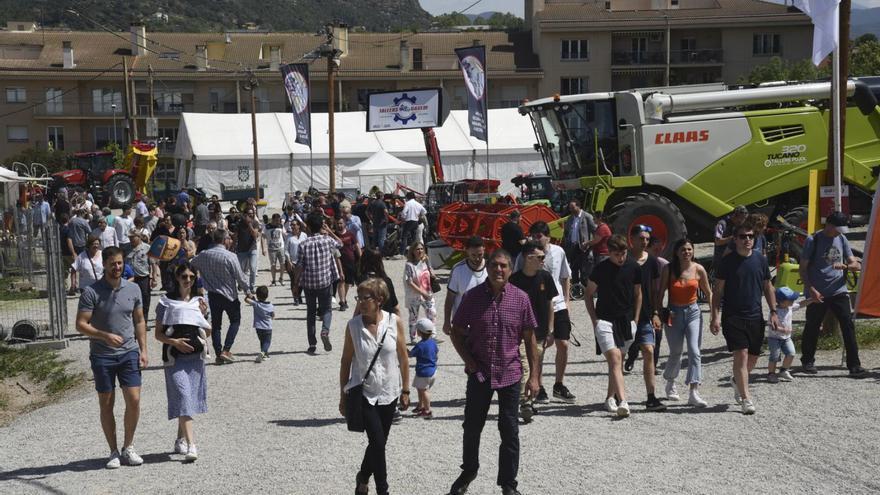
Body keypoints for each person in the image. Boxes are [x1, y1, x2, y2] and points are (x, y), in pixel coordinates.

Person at [448, 249, 539, 495]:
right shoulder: (472, 297)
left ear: (511, 270)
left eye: (503, 266)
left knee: (509, 430)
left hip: (510, 373)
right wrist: (468, 360)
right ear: (487, 268)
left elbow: (530, 340)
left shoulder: (521, 299)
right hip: (481, 373)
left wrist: (535, 377)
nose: (498, 270)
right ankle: (468, 471)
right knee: (472, 426)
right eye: (494, 265)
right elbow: (455, 331)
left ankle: (508, 484)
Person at [75, 246, 148, 469]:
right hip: (102, 356)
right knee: (107, 405)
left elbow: (139, 321)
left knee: (134, 400)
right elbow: (80, 324)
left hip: (128, 352)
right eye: (113, 264)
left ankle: (129, 447)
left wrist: (143, 349)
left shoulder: (133, 289)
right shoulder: (91, 292)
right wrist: (104, 335)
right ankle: (113, 451)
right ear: (104, 265)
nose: (117, 267)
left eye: (120, 263)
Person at [339, 278, 410, 495]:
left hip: (389, 392)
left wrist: (406, 390)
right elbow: (346, 361)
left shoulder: (394, 322)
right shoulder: (353, 326)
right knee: (378, 443)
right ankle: (383, 490)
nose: (360, 302)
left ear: (379, 300)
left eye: (365, 298)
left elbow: (403, 357)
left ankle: (362, 476)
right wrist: (343, 396)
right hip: (365, 393)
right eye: (358, 297)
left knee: (379, 443)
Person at [710, 222, 779, 415]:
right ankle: (746, 398)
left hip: (755, 315)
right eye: (742, 236)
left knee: (754, 357)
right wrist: (714, 316)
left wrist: (774, 311)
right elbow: (718, 292)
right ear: (735, 239)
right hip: (733, 316)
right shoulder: (727, 262)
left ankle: (737, 381)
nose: (747, 239)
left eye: (750, 236)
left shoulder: (760, 259)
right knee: (741, 354)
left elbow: (767, 287)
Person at [154, 262, 210, 462]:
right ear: (177, 277)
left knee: (186, 400)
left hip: (195, 359)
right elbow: (158, 334)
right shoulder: (165, 302)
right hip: (174, 358)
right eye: (184, 276)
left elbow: (208, 332)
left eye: (192, 277)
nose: (188, 280)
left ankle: (180, 439)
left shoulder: (199, 301)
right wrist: (174, 342)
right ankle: (192, 445)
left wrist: (203, 315)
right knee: (184, 395)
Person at [798, 211, 865, 376]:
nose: (839, 231)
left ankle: (854, 365)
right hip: (817, 292)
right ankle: (807, 361)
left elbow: (856, 265)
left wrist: (846, 266)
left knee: (848, 326)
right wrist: (810, 289)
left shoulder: (841, 239)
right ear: (828, 224)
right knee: (812, 326)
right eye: (837, 228)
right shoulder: (813, 240)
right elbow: (803, 268)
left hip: (839, 291)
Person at [518, 221, 575, 404]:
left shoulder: (559, 252)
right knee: (538, 349)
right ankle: (539, 386)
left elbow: (566, 275)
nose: (537, 238)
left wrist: (567, 299)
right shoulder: (526, 254)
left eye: (540, 235)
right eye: (534, 235)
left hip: (558, 304)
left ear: (548, 236)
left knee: (563, 344)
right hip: (538, 304)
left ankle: (559, 384)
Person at [584, 234, 639, 417]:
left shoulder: (633, 267)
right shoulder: (600, 269)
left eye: (623, 253)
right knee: (615, 358)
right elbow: (588, 294)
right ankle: (623, 401)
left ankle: (610, 397)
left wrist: (636, 319)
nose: (621, 258)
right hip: (605, 320)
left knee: (617, 362)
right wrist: (594, 320)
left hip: (626, 320)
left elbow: (638, 294)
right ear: (609, 253)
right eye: (617, 254)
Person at [657, 238, 712, 407]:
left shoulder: (699, 269)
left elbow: (709, 293)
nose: (686, 252)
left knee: (695, 351)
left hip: (693, 312)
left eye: (689, 249)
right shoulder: (669, 269)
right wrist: (657, 313)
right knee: (676, 351)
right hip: (674, 313)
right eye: (683, 250)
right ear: (676, 252)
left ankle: (693, 391)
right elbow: (660, 293)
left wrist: (714, 314)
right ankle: (670, 382)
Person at [509, 241, 557, 423]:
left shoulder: (545, 277)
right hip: (521, 333)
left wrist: (551, 330)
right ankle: (525, 402)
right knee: (525, 365)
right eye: (540, 257)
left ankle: (527, 399)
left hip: (541, 331)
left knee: (536, 365)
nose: (543, 260)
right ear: (529, 258)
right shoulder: (514, 280)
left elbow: (550, 304)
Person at [621, 225, 666, 411]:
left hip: (646, 314)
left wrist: (657, 312)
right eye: (641, 238)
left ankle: (651, 396)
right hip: (624, 315)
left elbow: (656, 291)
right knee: (620, 355)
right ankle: (618, 394)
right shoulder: (623, 260)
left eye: (647, 238)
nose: (644, 242)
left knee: (648, 350)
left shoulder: (653, 262)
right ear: (631, 238)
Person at [191, 229, 252, 364]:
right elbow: (240, 277)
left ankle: (218, 354)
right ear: (224, 240)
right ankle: (226, 349)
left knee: (216, 326)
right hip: (230, 295)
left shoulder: (203, 255)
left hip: (213, 295)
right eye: (229, 239)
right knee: (235, 321)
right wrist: (248, 291)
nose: (230, 241)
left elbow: (191, 263)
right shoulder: (230, 256)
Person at [293, 213, 343, 354]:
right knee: (327, 309)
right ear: (321, 226)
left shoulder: (303, 244)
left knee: (310, 313)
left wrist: (296, 284)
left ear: (308, 227)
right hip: (325, 282)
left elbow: (300, 266)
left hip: (309, 283)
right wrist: (330, 231)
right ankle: (325, 331)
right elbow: (340, 243)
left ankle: (312, 344)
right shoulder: (327, 240)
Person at [442, 236, 487, 336]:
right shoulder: (458, 269)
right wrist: (446, 321)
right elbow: (450, 298)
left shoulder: (491, 268)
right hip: (462, 324)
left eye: (480, 255)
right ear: (467, 252)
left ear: (484, 249)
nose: (477, 258)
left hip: (484, 324)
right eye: (473, 255)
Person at [768, 287, 806, 383]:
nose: (793, 301)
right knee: (774, 356)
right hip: (774, 338)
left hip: (786, 338)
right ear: (781, 301)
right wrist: (784, 330)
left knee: (791, 353)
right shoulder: (774, 312)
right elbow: (773, 326)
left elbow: (801, 304)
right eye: (791, 299)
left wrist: (812, 300)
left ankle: (784, 370)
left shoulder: (790, 307)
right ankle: (771, 373)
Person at [403, 241, 437, 343]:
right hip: (415, 295)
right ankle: (413, 337)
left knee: (432, 313)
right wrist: (422, 293)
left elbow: (432, 275)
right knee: (413, 317)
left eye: (421, 249)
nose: (420, 251)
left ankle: (432, 335)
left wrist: (428, 263)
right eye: (417, 249)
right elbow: (409, 282)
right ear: (413, 251)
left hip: (428, 293)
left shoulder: (425, 262)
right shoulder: (409, 265)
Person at [562, 199, 596, 289]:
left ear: (578, 206)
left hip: (584, 247)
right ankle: (576, 288)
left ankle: (586, 288)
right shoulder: (570, 218)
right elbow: (566, 232)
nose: (571, 210)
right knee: (574, 268)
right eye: (570, 208)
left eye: (573, 207)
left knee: (584, 268)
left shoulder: (587, 217)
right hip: (573, 247)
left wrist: (590, 242)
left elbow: (595, 230)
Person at [409, 318, 438, 418]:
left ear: (419, 332)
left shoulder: (420, 345)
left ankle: (427, 410)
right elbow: (436, 353)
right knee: (420, 388)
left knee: (424, 390)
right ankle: (420, 406)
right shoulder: (433, 343)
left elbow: (410, 354)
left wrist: (402, 348)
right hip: (432, 371)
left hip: (423, 373)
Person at [357, 248, 400, 316]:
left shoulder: (363, 280)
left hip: (369, 319)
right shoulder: (387, 281)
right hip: (387, 319)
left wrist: (353, 321)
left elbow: (360, 304)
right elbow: (396, 307)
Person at [126, 229, 155, 324]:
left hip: (143, 277)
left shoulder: (147, 248)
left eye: (132, 237)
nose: (131, 239)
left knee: (145, 300)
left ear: (138, 237)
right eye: (129, 237)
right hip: (131, 279)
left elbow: (152, 264)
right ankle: (132, 321)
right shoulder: (127, 248)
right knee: (130, 300)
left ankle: (144, 322)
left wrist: (153, 278)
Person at [335, 216, 361, 311]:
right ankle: (342, 302)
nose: (339, 225)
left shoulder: (350, 234)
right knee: (341, 281)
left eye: (341, 223)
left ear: (345, 223)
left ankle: (344, 298)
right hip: (339, 261)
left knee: (347, 282)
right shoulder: (333, 235)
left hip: (350, 261)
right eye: (337, 223)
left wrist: (361, 258)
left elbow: (356, 245)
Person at [236, 208, 264, 293]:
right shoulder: (239, 223)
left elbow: (255, 235)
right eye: (249, 213)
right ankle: (241, 284)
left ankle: (252, 287)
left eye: (252, 213)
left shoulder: (255, 223)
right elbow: (236, 236)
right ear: (245, 214)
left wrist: (249, 224)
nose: (251, 215)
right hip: (241, 249)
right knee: (240, 270)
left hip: (252, 249)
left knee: (253, 268)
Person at [245, 286, 275, 363]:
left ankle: (265, 354)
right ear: (267, 295)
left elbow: (246, 300)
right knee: (267, 342)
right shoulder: (270, 305)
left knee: (262, 340)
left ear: (257, 296)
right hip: (267, 327)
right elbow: (273, 315)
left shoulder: (256, 304)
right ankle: (262, 353)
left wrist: (249, 296)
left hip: (258, 327)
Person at [713, 205, 748, 271]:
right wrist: (732, 238)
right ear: (735, 216)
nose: (743, 221)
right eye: (741, 218)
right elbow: (717, 242)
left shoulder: (739, 225)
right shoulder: (722, 224)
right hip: (721, 260)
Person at [285, 220, 308, 305]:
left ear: (299, 226)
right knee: (294, 281)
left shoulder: (304, 235)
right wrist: (289, 261)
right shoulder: (289, 237)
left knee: (301, 281)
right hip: (292, 262)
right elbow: (286, 250)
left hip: (302, 262)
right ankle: (296, 298)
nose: (293, 226)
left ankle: (298, 295)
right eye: (291, 225)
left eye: (294, 225)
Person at [399, 192, 426, 256]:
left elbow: (404, 212)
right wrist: (419, 215)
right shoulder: (418, 204)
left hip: (409, 221)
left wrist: (403, 218)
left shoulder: (408, 203)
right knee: (414, 237)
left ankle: (402, 253)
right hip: (416, 222)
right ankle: (414, 252)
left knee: (404, 236)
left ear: (408, 197)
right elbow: (424, 211)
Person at [264, 213, 287, 286]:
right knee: (273, 265)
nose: (278, 222)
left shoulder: (281, 226)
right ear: (273, 219)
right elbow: (263, 236)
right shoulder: (267, 226)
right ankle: (273, 280)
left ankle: (281, 278)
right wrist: (263, 248)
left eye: (279, 220)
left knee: (283, 264)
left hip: (281, 247)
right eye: (277, 220)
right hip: (271, 249)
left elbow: (285, 234)